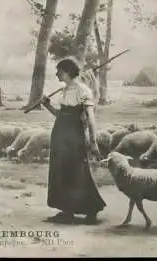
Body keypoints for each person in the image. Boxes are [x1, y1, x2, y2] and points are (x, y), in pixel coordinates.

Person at [40, 56, 106, 225]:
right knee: (62, 172)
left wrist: (93, 141)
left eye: (59, 71)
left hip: (74, 137)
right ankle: (67, 211)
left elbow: (90, 118)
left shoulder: (83, 91)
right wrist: (47, 105)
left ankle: (91, 210)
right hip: (60, 135)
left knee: (78, 172)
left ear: (68, 71)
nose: (56, 75)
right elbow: (61, 115)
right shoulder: (65, 90)